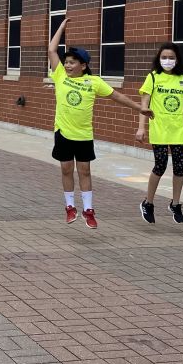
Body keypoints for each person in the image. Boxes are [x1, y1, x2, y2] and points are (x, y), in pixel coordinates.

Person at [47, 18, 153, 229]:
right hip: (63, 132)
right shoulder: (59, 76)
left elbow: (118, 97)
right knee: (66, 169)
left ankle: (88, 210)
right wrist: (61, 27)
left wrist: (139, 108)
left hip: (84, 134)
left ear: (83, 65)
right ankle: (70, 207)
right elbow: (51, 50)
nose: (67, 65)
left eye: (72, 62)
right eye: (66, 61)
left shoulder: (94, 82)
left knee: (84, 171)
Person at [136, 42, 183, 225]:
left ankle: (175, 204)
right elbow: (145, 105)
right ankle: (148, 203)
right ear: (159, 59)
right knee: (160, 165)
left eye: (171, 57)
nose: (168, 60)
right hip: (159, 129)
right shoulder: (153, 77)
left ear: (177, 59)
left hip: (178, 131)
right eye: (164, 57)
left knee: (180, 167)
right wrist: (141, 127)